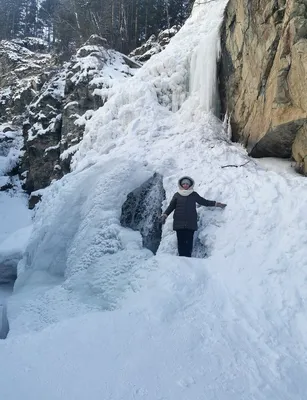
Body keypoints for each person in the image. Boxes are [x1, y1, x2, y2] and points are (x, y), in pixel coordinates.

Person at [161, 176, 226, 257]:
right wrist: (165, 215)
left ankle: (188, 260)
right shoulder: (177, 195)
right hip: (179, 222)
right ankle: (181, 260)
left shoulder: (193, 194)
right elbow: (171, 206)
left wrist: (216, 204)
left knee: (188, 242)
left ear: (190, 185)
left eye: (187, 184)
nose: (185, 185)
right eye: (183, 184)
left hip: (190, 222)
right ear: (181, 185)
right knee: (181, 242)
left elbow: (204, 202)